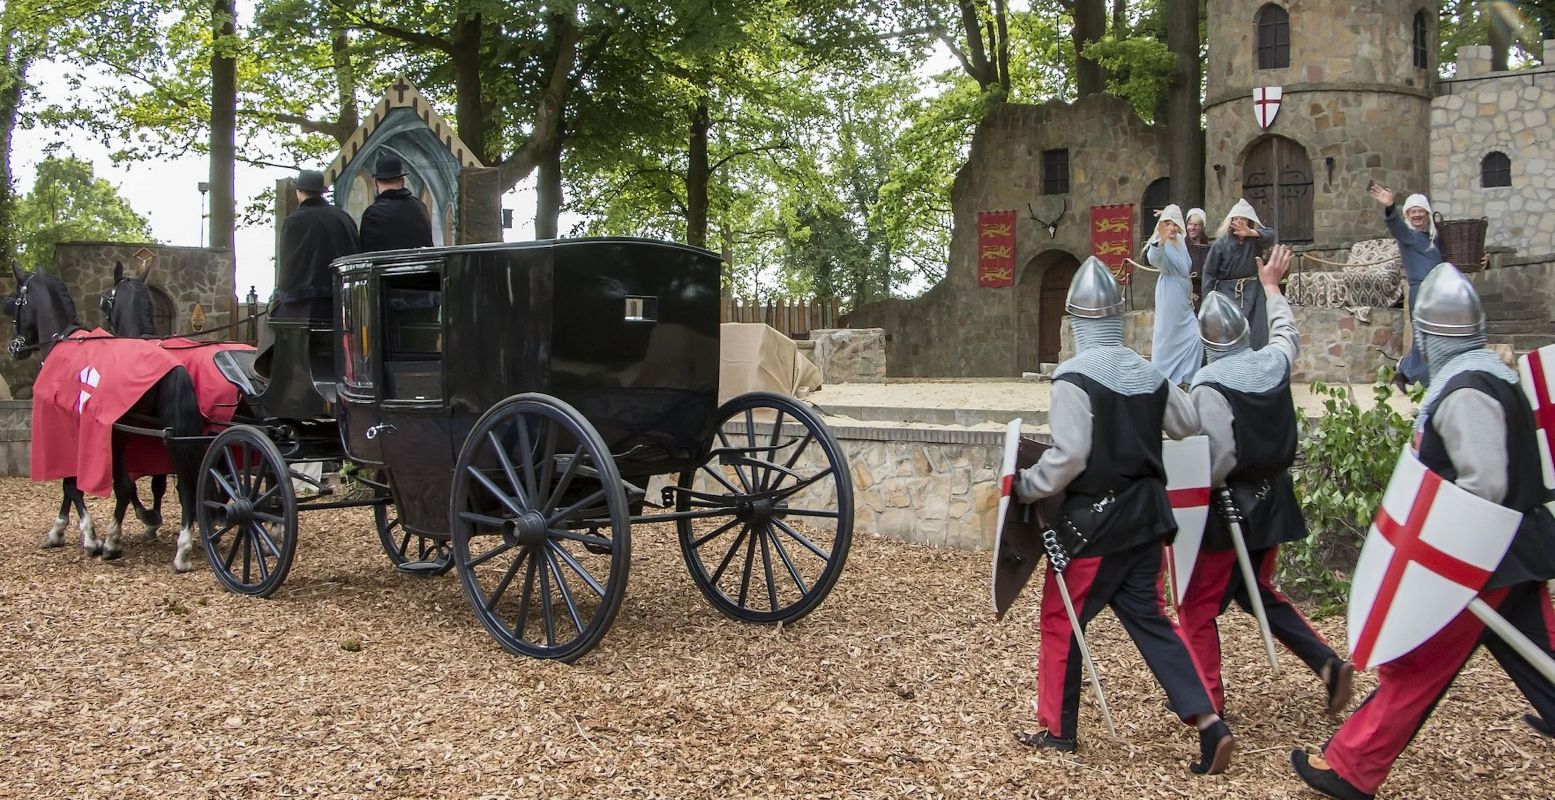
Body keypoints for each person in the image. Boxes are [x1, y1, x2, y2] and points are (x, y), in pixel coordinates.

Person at [1291, 263, 1555, 800]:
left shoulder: (1466, 391)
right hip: (1520, 550)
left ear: (1433, 334)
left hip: (1478, 559)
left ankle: (1349, 767)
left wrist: (1452, 561)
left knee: (1416, 665)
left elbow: (1485, 487)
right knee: (1542, 653)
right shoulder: (1497, 376)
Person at [1012, 256, 1235, 776]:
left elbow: (1069, 457)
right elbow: (1187, 424)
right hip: (1149, 520)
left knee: (1060, 620)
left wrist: (1025, 487)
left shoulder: (1073, 378)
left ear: (1076, 321)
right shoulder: (1148, 372)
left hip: (1096, 527)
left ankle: (1057, 730)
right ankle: (1209, 724)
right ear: (1116, 316)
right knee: (1152, 623)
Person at [1181, 244, 1354, 718]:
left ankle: (1207, 710)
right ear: (1242, 332)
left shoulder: (1209, 385)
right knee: (1255, 589)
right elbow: (1285, 330)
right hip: (1275, 500)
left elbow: (1220, 459)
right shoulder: (1274, 360)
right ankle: (1327, 663)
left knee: (1196, 608)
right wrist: (1273, 289)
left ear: (1208, 342)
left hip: (1231, 510)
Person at [1368, 183, 1439, 390]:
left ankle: (1405, 372)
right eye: (1412, 211)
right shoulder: (1407, 236)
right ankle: (1417, 376)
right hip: (1421, 292)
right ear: (1408, 215)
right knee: (1424, 335)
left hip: (1438, 293)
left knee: (1432, 335)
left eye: (1420, 211)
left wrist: (1483, 261)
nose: (1417, 215)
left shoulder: (1435, 239)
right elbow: (1396, 226)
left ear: (1427, 214)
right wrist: (1390, 207)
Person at [273, 169, 359, 323]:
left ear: (298, 191)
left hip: (305, 305)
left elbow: (290, 267)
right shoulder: (344, 218)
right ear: (321, 192)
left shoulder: (294, 221)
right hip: (343, 303)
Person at [1202, 199, 1275, 348]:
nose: (1239, 221)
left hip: (1254, 293)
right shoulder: (1220, 244)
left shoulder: (1255, 240)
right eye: (1236, 218)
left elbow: (1271, 235)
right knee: (1229, 333)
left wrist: (1251, 233)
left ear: (1249, 221)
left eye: (1243, 218)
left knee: (1256, 332)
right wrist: (1208, 301)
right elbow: (1209, 274)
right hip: (1228, 295)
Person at [1145, 204, 1203, 385]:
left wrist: (1169, 215)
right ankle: (1163, 377)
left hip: (1182, 297)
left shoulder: (1180, 240)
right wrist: (1161, 241)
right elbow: (1154, 258)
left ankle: (1187, 377)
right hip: (1169, 295)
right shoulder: (1160, 241)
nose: (1171, 228)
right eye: (1167, 224)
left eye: (1174, 224)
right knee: (1167, 338)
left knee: (1196, 335)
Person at [359, 153, 433, 252]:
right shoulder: (420, 207)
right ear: (402, 180)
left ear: (376, 183)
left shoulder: (372, 213)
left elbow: (367, 254)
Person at [1185, 207, 1211, 308]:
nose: (1192, 228)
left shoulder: (1209, 246)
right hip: (1187, 292)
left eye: (1196, 225)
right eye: (1190, 224)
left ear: (1202, 227)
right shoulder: (1182, 246)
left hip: (1204, 291)